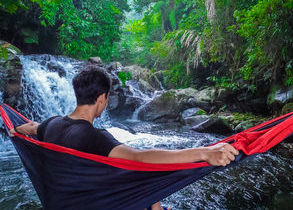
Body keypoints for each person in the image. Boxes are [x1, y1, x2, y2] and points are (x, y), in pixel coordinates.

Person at [11, 66, 239, 210]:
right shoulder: (95, 137)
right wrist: (203, 152)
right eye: (107, 98)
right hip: (91, 202)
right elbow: (138, 158)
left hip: (64, 198)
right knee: (144, 179)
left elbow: (30, 127)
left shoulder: (51, 124)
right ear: (102, 98)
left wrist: (14, 128)